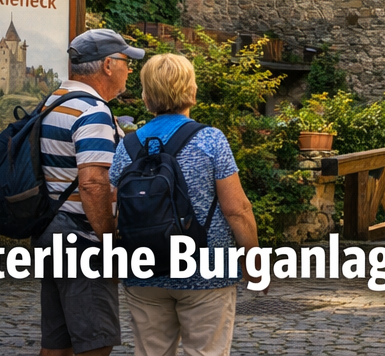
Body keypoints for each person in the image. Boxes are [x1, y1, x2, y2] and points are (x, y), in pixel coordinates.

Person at [110, 53, 261, 356]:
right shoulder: (210, 140)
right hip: (207, 272)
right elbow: (237, 209)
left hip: (144, 270)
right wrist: (252, 259)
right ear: (191, 92)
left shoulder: (126, 146)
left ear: (145, 96)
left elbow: (115, 212)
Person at [37, 28, 142, 356]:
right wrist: (110, 246)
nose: (129, 70)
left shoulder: (54, 101)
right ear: (108, 65)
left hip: (50, 230)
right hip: (82, 238)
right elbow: (93, 184)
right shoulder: (92, 111)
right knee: (96, 344)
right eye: (126, 62)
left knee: (58, 343)